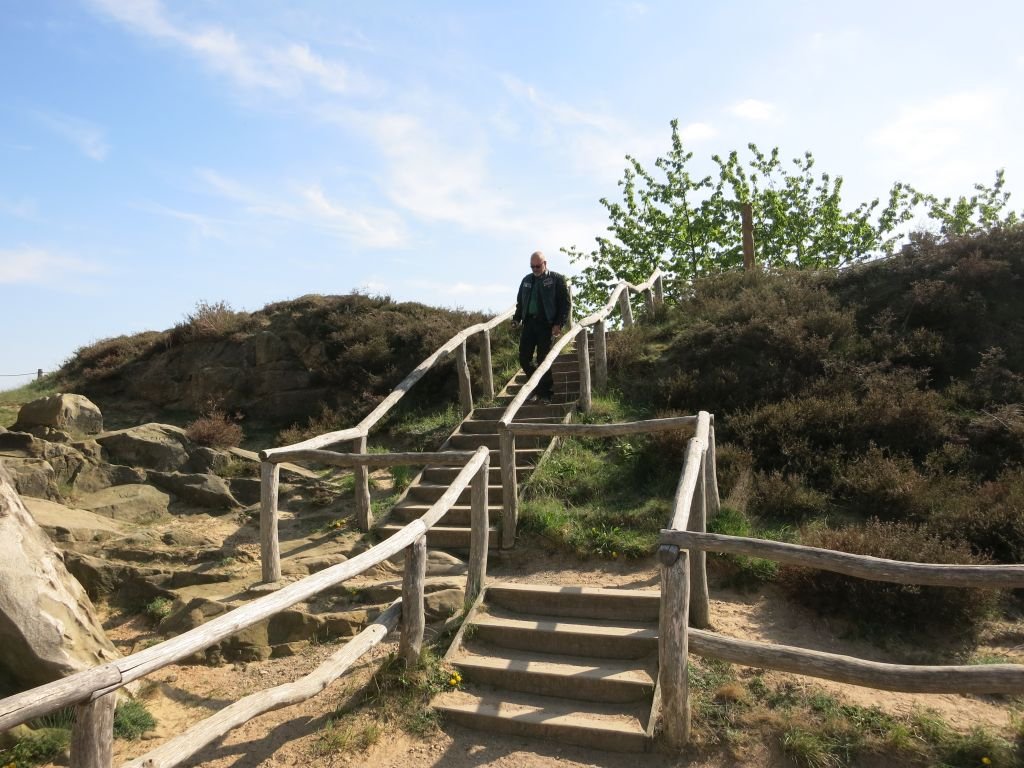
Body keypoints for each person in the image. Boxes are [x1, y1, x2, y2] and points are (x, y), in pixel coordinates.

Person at [511, 251, 571, 402]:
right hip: (529, 323)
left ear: (545, 263)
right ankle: (538, 388)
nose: (535, 269)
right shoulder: (526, 280)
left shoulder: (556, 279)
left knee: (543, 359)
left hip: (546, 324)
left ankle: (546, 393)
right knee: (524, 359)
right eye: (532, 266)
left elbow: (565, 304)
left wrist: (559, 323)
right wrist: (516, 319)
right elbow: (520, 303)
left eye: (538, 266)